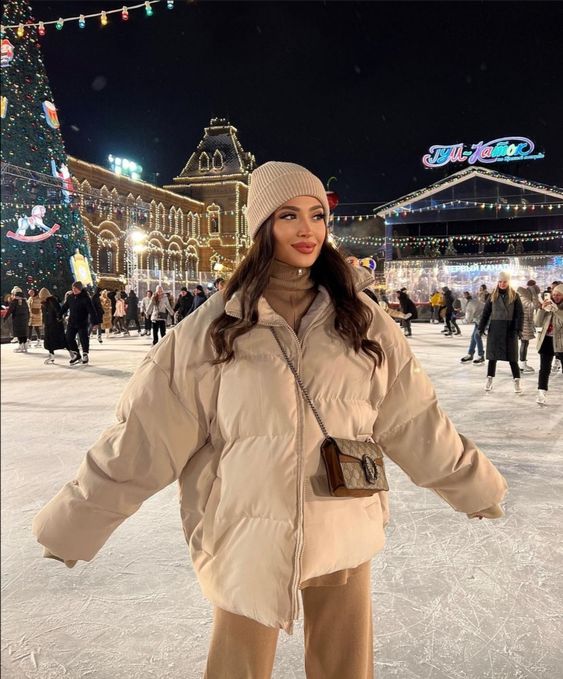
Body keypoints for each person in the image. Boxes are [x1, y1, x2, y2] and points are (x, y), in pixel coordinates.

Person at [32, 161, 507, 679]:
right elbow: (145, 436)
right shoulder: (214, 327)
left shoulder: (361, 320)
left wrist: (473, 486)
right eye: (288, 215)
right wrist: (76, 523)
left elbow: (414, 419)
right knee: (237, 668)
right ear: (263, 227)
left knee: (345, 668)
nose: (307, 230)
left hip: (342, 516)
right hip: (245, 528)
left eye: (316, 216)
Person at [478, 271, 524, 393]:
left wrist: (518, 329)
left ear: (508, 282)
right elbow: (486, 313)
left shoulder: (515, 295)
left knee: (513, 358)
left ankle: (517, 381)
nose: (502, 284)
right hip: (496, 329)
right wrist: (481, 328)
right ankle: (489, 379)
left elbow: (520, 314)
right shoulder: (492, 295)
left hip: (510, 330)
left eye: (504, 282)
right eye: (500, 282)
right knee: (492, 357)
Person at [534, 283, 563, 405]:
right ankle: (541, 391)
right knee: (544, 368)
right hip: (546, 340)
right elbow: (537, 323)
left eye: (559, 294)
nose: (555, 297)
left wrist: (556, 311)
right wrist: (541, 309)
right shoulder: (548, 305)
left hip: (561, 342)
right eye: (554, 294)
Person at [60, 281, 97, 365]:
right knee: (68, 338)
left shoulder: (85, 298)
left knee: (83, 339)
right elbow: (64, 307)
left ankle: (85, 354)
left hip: (82, 322)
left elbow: (92, 311)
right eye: (73, 288)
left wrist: (94, 322)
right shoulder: (70, 297)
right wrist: (59, 315)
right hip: (72, 322)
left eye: (76, 288)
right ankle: (77, 354)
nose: (74, 290)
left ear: (80, 289)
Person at [38, 288, 69, 364]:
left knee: (61, 340)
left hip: (55, 325)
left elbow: (58, 311)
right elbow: (44, 314)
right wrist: (43, 322)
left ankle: (72, 353)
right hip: (48, 324)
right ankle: (51, 355)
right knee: (49, 341)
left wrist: (58, 318)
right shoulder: (43, 303)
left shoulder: (52, 300)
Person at [516, 280, 541, 373]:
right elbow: (535, 305)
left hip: (524, 324)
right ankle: (522, 365)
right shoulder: (525, 299)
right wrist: (534, 295)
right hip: (523, 325)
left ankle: (523, 364)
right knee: (524, 343)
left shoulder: (523, 297)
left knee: (525, 344)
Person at [460, 292, 485, 364]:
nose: (459, 310)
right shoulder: (472, 301)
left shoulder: (469, 306)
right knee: (473, 337)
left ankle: (481, 356)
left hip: (485, 320)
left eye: (458, 309)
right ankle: (470, 354)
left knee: (477, 336)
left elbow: (468, 320)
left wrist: (462, 320)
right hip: (480, 320)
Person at [4, 286, 30, 353]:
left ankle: (21, 346)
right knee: (24, 333)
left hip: (17, 319)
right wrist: (28, 318)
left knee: (19, 333)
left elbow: (10, 310)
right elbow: (28, 310)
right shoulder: (24, 301)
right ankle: (25, 347)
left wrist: (5, 317)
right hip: (25, 319)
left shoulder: (15, 301)